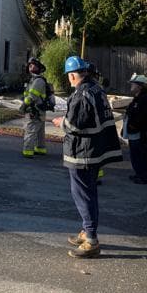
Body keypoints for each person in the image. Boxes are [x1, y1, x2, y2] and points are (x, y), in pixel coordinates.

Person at [53, 56, 122, 258]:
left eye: (69, 76)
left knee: (83, 195)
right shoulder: (96, 89)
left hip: (83, 153)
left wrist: (61, 122)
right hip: (94, 151)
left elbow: (76, 124)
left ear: (73, 75)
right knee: (88, 192)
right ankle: (87, 230)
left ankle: (91, 239)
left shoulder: (82, 95)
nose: (69, 80)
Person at [124, 73, 147, 184]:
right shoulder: (138, 99)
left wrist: (135, 126)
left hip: (140, 134)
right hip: (135, 132)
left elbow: (145, 117)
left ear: (140, 86)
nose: (131, 85)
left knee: (140, 156)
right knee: (135, 156)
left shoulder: (146, 99)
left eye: (133, 84)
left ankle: (144, 177)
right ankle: (139, 174)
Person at [20, 57, 49, 158]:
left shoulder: (38, 81)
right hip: (38, 109)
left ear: (39, 68)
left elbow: (32, 96)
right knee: (39, 130)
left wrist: (24, 105)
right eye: (29, 65)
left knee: (30, 130)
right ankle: (40, 148)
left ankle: (27, 151)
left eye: (33, 64)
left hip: (34, 109)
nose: (30, 66)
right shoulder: (32, 80)